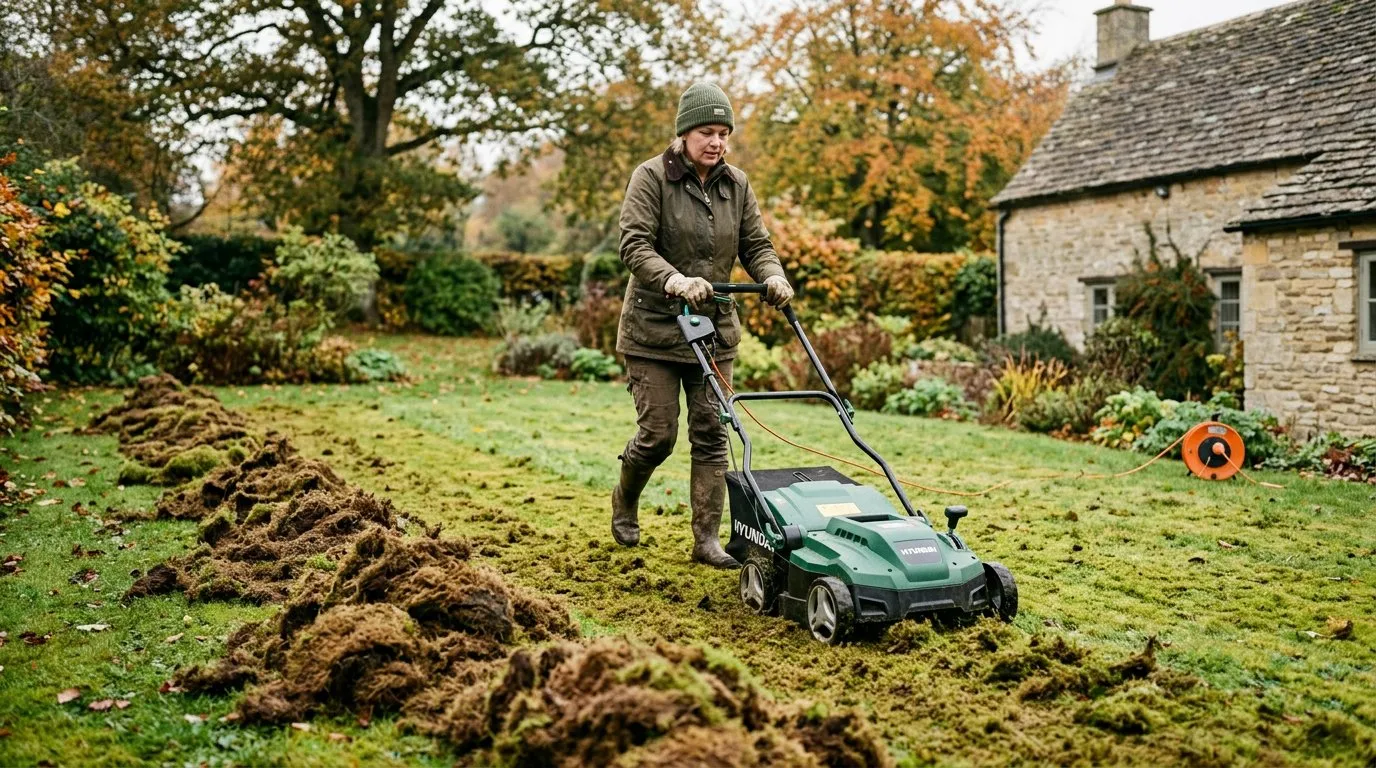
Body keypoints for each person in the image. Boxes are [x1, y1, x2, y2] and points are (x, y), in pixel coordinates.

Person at [611, 82, 794, 569]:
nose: (716, 142)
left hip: (713, 330)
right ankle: (625, 498)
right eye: (707, 132)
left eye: (724, 133)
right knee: (658, 434)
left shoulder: (737, 183)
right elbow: (634, 244)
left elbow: (756, 244)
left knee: (713, 431)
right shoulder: (651, 177)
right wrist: (673, 279)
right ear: (684, 133)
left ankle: (706, 540)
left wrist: (773, 276)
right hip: (655, 329)